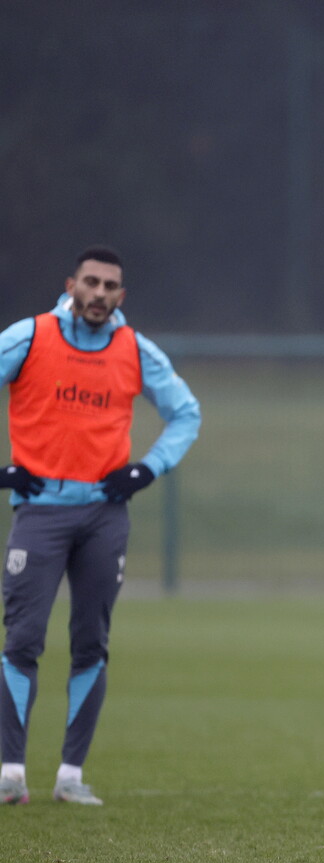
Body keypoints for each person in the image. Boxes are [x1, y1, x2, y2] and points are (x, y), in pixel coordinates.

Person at [0, 247, 201, 806]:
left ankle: (70, 777)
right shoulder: (31, 337)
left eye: (110, 286)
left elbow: (187, 413)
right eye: (91, 282)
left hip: (104, 517)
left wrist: (146, 469)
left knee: (91, 644)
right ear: (72, 284)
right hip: (38, 512)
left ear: (121, 296)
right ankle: (11, 774)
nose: (99, 293)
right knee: (22, 641)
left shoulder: (134, 349)